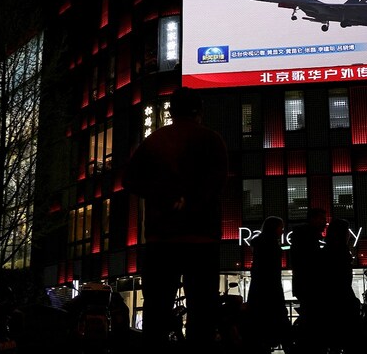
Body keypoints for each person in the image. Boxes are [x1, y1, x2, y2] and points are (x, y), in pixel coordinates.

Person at [124, 86, 229, 353]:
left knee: (157, 309)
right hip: (202, 237)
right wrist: (190, 201)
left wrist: (164, 196)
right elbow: (216, 183)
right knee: (202, 310)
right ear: (200, 112)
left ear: (171, 111)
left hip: (162, 237)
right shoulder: (212, 140)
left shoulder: (155, 141)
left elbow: (130, 180)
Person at [245, 216, 291, 354]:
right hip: (271, 288)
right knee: (280, 320)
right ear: (274, 228)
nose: (282, 231)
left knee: (261, 321)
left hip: (260, 289)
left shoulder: (260, 244)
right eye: (281, 228)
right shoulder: (271, 245)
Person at [320, 218, 362, 353]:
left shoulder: (327, 251)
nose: (350, 234)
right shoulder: (341, 252)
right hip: (342, 300)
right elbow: (342, 279)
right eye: (347, 231)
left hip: (331, 301)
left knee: (334, 342)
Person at [289, 207, 327, 353]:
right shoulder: (309, 238)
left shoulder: (302, 237)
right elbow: (312, 263)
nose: (324, 223)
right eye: (322, 219)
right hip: (311, 286)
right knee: (313, 320)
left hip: (305, 285)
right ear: (313, 219)